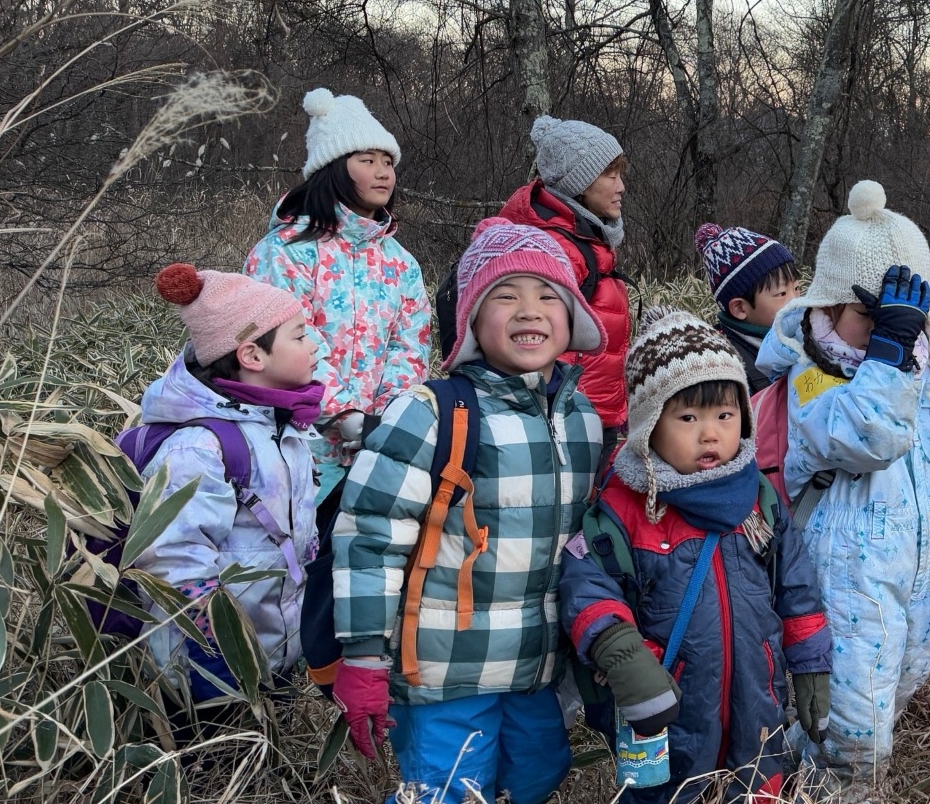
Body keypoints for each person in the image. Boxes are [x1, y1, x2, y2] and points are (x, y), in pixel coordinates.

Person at [331, 218, 608, 804]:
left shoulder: (582, 418)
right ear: (473, 322)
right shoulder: (431, 412)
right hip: (444, 671)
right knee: (448, 791)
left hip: (537, 668)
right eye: (505, 296)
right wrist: (362, 655)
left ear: (572, 317)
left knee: (537, 777)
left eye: (547, 296)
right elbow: (369, 537)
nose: (529, 310)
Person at [753, 180, 930, 797]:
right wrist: (888, 354)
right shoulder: (811, 381)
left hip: (906, 586)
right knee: (850, 734)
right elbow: (867, 436)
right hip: (838, 592)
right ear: (827, 307)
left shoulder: (916, 375)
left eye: (901, 318)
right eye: (871, 318)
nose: (890, 332)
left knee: (895, 693)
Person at [560, 309, 834, 804]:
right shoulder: (624, 508)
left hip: (759, 704)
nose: (710, 433)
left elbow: (796, 585)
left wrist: (811, 663)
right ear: (648, 426)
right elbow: (586, 586)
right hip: (667, 711)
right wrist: (622, 653)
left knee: (758, 786)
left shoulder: (759, 498)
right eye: (688, 417)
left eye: (724, 416)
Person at [243, 87, 431, 692]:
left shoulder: (400, 262)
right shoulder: (283, 255)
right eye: (367, 159)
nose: (383, 172)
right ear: (333, 167)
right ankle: (268, 680)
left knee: (356, 574)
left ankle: (339, 687)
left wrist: (389, 423)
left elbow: (412, 344)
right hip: (299, 448)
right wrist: (342, 415)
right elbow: (286, 346)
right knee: (290, 571)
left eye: (389, 161)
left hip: (376, 452)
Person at [133, 264, 322, 708]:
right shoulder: (199, 447)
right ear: (252, 356)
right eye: (299, 336)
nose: (315, 346)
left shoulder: (284, 427)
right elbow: (171, 558)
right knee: (211, 770)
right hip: (209, 667)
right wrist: (219, 645)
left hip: (273, 652)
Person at [498, 115, 633, 453]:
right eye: (610, 175)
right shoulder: (560, 249)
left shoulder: (586, 238)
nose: (621, 187)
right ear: (580, 183)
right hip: (566, 420)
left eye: (620, 174)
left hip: (591, 414)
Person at [694, 223, 800, 393]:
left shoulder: (807, 335)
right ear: (740, 308)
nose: (795, 301)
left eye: (797, 288)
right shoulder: (728, 369)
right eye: (781, 294)